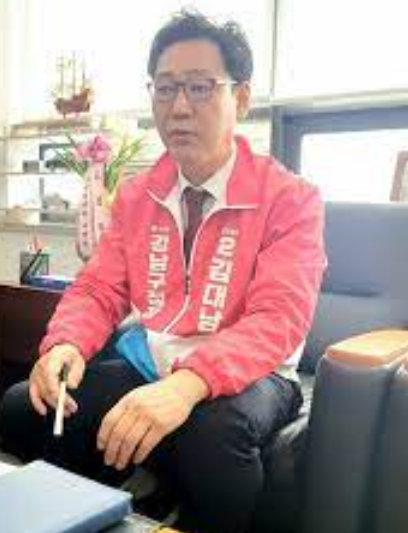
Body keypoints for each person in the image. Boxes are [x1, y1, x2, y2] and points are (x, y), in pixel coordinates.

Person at [0, 10, 326, 533]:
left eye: (199, 87)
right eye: (166, 88)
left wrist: (188, 384)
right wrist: (65, 345)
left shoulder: (291, 198)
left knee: (213, 434)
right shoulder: (138, 195)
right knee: (27, 408)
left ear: (241, 98)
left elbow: (278, 318)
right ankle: (104, 512)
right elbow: (99, 288)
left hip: (254, 372)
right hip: (156, 359)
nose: (178, 107)